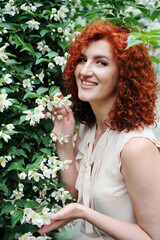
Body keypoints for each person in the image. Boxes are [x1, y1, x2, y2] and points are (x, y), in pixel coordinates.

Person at [38, 21, 160, 240]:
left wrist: (82, 213)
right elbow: (73, 194)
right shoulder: (88, 129)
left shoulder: (136, 147)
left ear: (124, 75)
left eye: (101, 63)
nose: (85, 71)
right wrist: (64, 141)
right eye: (82, 60)